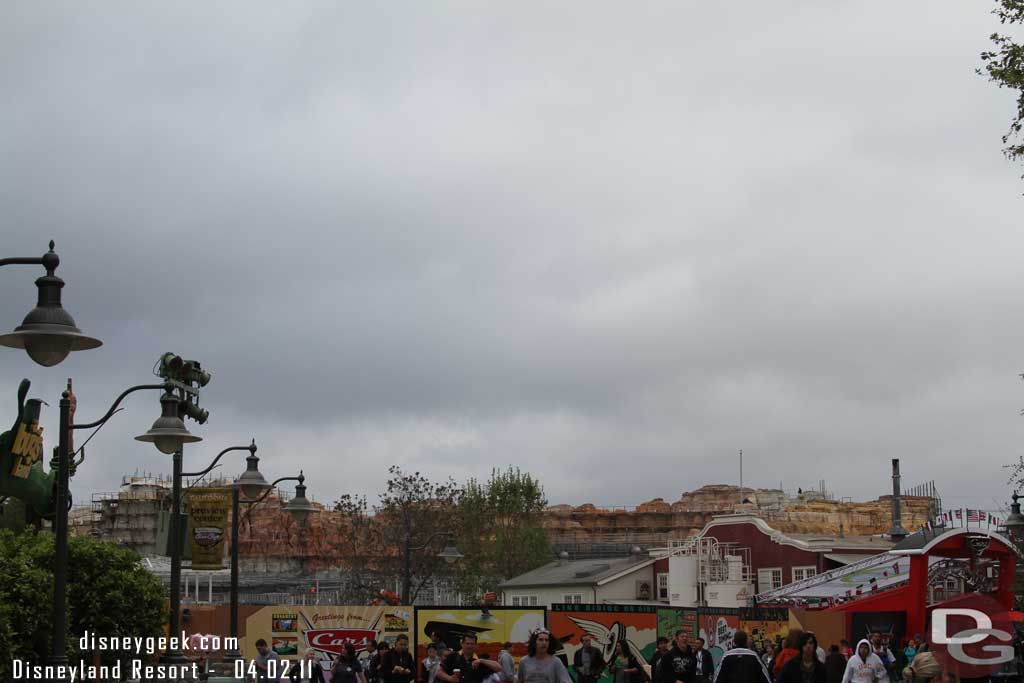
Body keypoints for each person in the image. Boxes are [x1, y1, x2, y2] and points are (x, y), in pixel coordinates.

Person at [438, 634, 504, 683]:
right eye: (467, 643)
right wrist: (449, 678)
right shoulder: (453, 656)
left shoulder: (479, 660)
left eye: (472, 644)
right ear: (462, 644)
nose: (469, 646)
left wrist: (481, 660)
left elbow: (499, 668)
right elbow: (439, 672)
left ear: (475, 645)